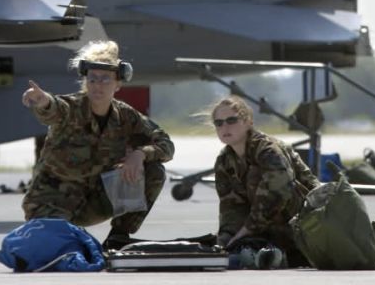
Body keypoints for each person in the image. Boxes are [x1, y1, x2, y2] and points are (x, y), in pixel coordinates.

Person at [21, 40, 174, 246]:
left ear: (117, 84)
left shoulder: (126, 116)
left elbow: (165, 143)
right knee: (55, 250)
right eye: (92, 79)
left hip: (93, 201)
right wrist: (43, 101)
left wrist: (140, 154)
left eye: (105, 79)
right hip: (52, 202)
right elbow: (55, 109)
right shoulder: (73, 108)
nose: (98, 85)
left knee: (154, 171)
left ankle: (118, 237)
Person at [212, 95, 320, 264]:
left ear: (248, 121)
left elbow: (280, 190)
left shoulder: (267, 149)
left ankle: (286, 250)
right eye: (219, 123)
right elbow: (230, 209)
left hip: (309, 221)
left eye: (231, 120)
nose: (224, 126)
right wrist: (226, 241)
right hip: (267, 225)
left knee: (259, 178)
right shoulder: (224, 161)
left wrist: (246, 231)